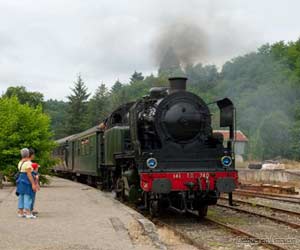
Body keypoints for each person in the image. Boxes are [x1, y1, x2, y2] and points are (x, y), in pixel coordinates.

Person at [16, 148, 37, 219]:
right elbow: (29, 174)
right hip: (26, 181)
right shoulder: (28, 163)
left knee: (21, 196)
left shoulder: (20, 162)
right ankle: (28, 213)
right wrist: (33, 184)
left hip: (20, 181)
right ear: (28, 154)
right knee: (28, 196)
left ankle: (20, 212)